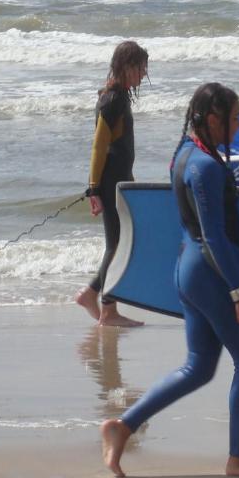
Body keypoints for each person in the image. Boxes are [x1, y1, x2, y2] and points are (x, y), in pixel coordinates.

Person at [100, 83, 239, 478]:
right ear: (214, 119)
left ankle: (123, 426)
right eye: (234, 119)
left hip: (189, 267)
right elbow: (215, 236)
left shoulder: (184, 155)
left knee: (199, 366)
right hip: (211, 273)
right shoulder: (204, 167)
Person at [76, 40, 149, 327]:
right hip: (109, 183)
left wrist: (128, 179)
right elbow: (99, 146)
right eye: (141, 68)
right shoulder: (112, 100)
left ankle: (92, 294)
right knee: (116, 245)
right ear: (127, 67)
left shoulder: (118, 96)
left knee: (120, 243)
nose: (143, 74)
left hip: (117, 181)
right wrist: (94, 188)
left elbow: (119, 148)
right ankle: (107, 308)